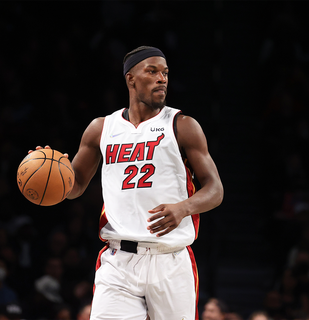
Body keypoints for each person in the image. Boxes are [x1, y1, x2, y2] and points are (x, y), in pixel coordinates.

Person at [30, 45, 224, 319]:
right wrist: (49, 172)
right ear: (130, 78)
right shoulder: (102, 128)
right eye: (153, 71)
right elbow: (73, 188)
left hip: (170, 258)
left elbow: (215, 190)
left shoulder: (182, 125)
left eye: (166, 73)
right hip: (119, 259)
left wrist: (184, 208)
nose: (162, 78)